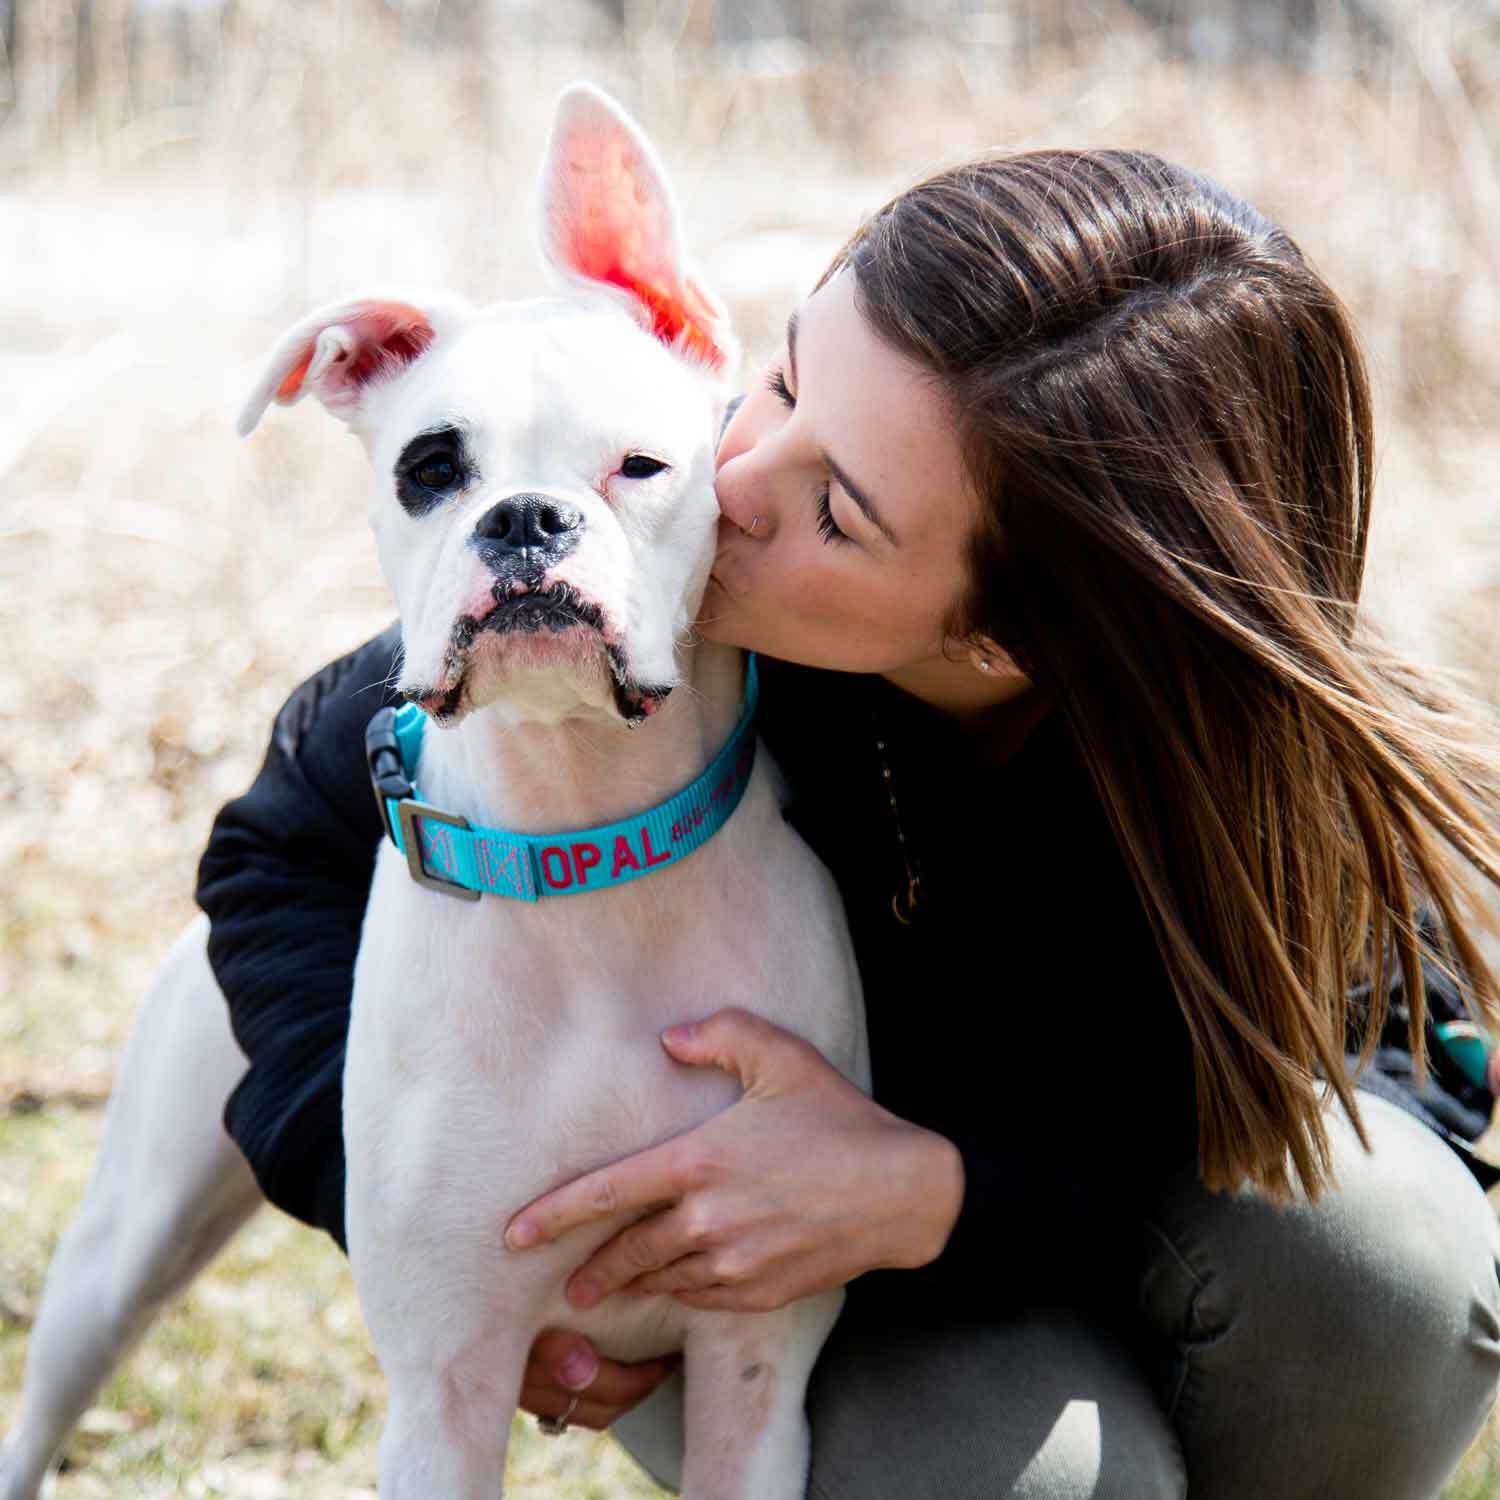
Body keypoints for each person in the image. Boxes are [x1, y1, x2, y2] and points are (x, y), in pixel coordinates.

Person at [196, 148, 1500, 1499]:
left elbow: (1405, 1066)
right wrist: (413, 1223)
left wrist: (940, 1191)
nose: (736, 474)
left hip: (1138, 1224)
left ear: (1005, 639)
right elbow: (277, 851)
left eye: (836, 508)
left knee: (1383, 1262)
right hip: (841, 1312)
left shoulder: (1229, 753)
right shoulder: (654, 602)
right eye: (784, 379)